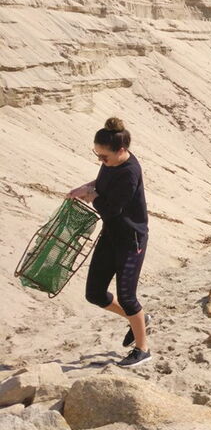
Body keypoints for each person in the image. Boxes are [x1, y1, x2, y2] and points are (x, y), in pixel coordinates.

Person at [68, 117, 152, 367]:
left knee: (127, 297)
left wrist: (92, 195)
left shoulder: (130, 172)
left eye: (103, 156)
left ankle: (143, 349)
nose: (100, 160)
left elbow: (111, 209)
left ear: (121, 150)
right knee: (94, 293)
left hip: (131, 239)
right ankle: (139, 320)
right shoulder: (111, 163)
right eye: (97, 155)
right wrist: (86, 187)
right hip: (111, 235)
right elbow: (103, 184)